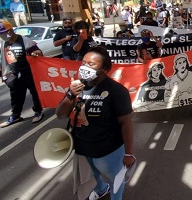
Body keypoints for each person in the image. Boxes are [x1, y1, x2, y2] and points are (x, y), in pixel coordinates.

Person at [55, 47, 134, 200]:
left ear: (104, 69)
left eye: (91, 64)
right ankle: (101, 189)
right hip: (82, 146)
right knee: (92, 174)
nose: (85, 67)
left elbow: (126, 123)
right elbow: (61, 114)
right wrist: (71, 94)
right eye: (83, 62)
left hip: (108, 149)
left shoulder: (117, 91)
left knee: (115, 178)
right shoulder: (77, 86)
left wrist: (129, 153)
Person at [0, 21, 44, 127]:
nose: (1, 36)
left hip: (28, 72)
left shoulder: (24, 40)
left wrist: (37, 54)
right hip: (14, 74)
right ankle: (15, 115)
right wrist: (6, 75)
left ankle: (38, 111)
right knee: (16, 96)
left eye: (3, 33)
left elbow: (38, 53)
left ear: (10, 31)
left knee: (35, 93)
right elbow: (4, 59)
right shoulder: (2, 43)